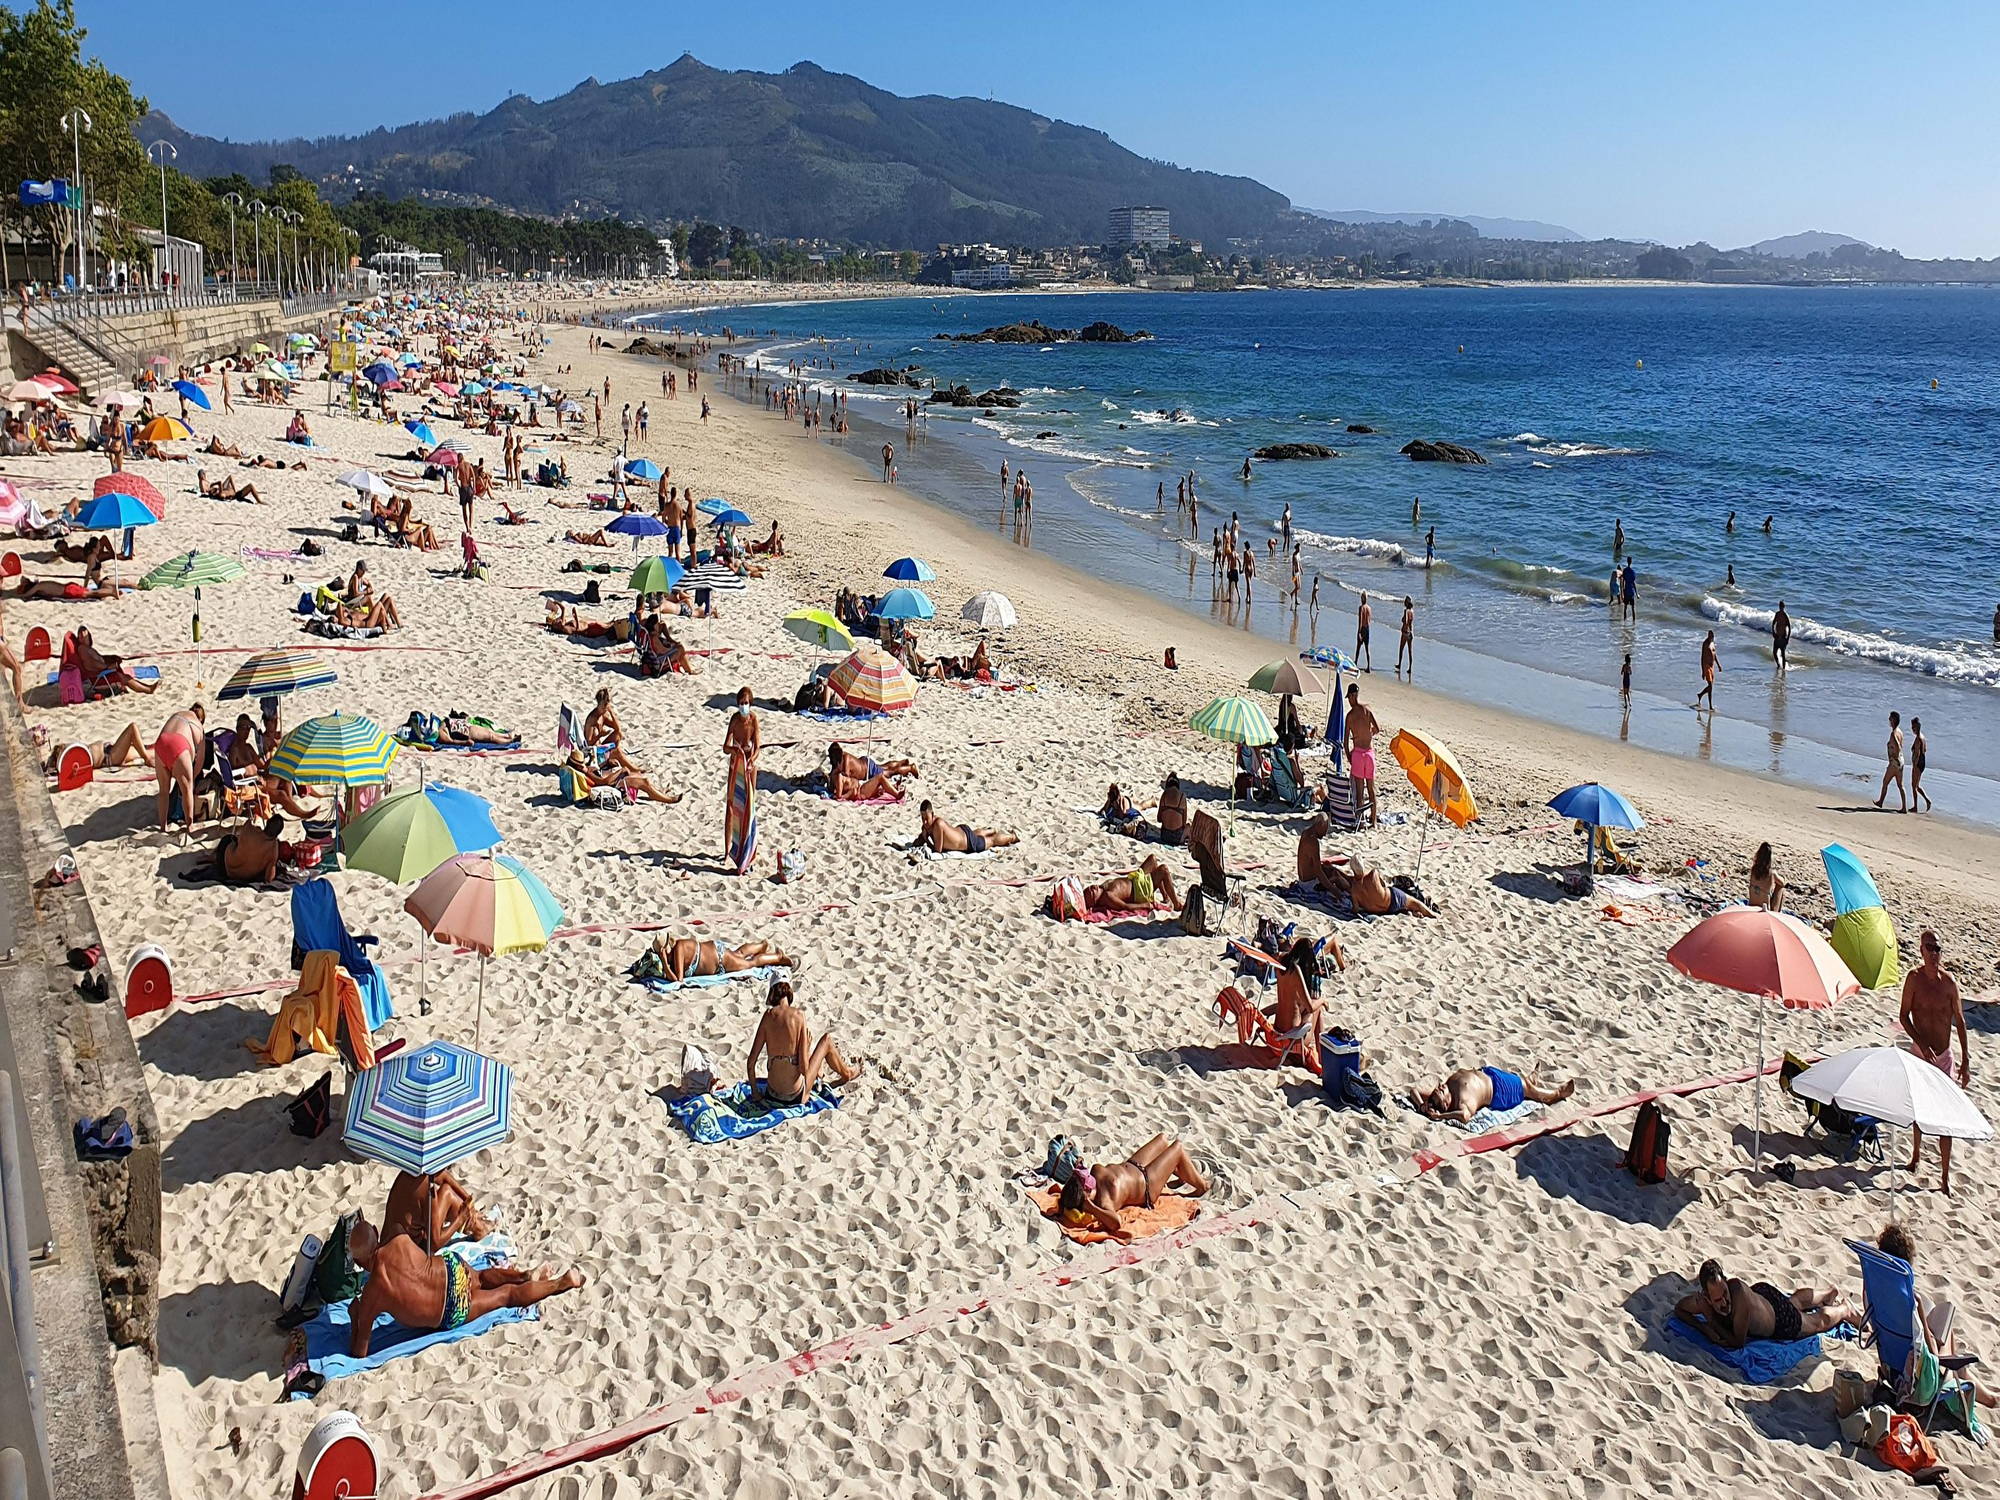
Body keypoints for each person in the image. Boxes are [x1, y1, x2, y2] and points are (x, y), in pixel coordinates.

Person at [344, 1213, 582, 1357]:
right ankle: (524, 1275)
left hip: (449, 1308)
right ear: (376, 1231)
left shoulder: (372, 1293)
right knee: (479, 1277)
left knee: (506, 1297)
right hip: (451, 1268)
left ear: (357, 1261)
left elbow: (360, 1352)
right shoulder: (397, 1235)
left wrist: (356, 1317)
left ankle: (562, 1283)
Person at [1873, 1223, 2000, 1407]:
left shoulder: (1875, 1290)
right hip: (1919, 1381)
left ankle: (1971, 1382)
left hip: (1891, 1367)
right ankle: (1987, 1397)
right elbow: (1932, 1353)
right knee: (1947, 1332)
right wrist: (1924, 1319)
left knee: (1940, 1333)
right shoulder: (1909, 1301)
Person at [1900, 929, 1968, 1194]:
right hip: (1920, 1051)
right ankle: (1916, 1155)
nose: (1934, 954)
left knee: (1944, 1116)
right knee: (1918, 1109)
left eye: (1938, 949)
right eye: (1929, 948)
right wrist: (1921, 1042)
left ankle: (1944, 1178)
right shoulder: (1914, 980)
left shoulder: (1948, 984)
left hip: (1943, 1056)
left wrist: (1967, 1060)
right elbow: (1904, 1016)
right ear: (1921, 950)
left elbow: (1960, 1022)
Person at [1673, 1260, 1855, 1350]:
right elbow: (1679, 1309)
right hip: (1763, 1298)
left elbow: (1738, 1342)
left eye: (1725, 1294)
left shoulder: (1738, 1297)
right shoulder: (1704, 1301)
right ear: (1706, 1296)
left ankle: (1843, 1309)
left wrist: (1711, 1321)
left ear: (1727, 1283)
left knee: (1815, 1323)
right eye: (1717, 1300)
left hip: (1778, 1320)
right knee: (1794, 1302)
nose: (1724, 1302)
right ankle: (1828, 1293)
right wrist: (1702, 1328)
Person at [1055, 1135, 1209, 1238]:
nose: (1088, 1178)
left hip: (1134, 1164)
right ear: (1085, 1199)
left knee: (1163, 1139)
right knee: (1178, 1148)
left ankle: (1182, 1175)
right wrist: (1092, 1208)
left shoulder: (1093, 1174)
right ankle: (1201, 1186)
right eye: (1086, 1184)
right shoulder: (1104, 1201)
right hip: (1147, 1184)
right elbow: (1116, 1223)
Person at [747, 979, 861, 1105]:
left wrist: (755, 1093)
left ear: (773, 992)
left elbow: (751, 1063)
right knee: (827, 1040)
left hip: (772, 1094)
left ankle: (820, 1070)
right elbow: (804, 1070)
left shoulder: (768, 1016)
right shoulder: (798, 1016)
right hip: (795, 1096)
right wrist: (806, 1050)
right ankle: (847, 1073)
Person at [1408, 1066, 1573, 1122]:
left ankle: (1530, 1080)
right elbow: (1464, 1116)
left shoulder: (1446, 1091)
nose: (1438, 1087)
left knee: (1523, 1082)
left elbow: (1413, 1091)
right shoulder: (1462, 1101)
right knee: (1527, 1089)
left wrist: (1421, 1105)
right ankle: (1556, 1094)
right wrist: (1439, 1117)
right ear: (1445, 1104)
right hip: (1498, 1091)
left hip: (1488, 1074)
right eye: (1439, 1092)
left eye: (1437, 1089)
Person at [383, 1168, 490, 1251]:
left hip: (387, 1242)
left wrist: (469, 1203)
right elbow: (435, 1244)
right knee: (449, 1195)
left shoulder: (410, 1173)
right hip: (406, 1252)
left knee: (447, 1190)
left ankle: (477, 1226)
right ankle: (479, 1229)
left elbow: (445, 1177)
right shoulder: (427, 1190)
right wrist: (460, 1219)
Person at [1318, 853, 1436, 917]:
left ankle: (1410, 911)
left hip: (1382, 911)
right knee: (1417, 903)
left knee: (1409, 904)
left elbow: (1355, 909)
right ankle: (1433, 916)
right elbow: (1384, 885)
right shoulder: (1373, 874)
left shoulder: (1354, 890)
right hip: (1391, 900)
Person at [723, 686, 760, 875]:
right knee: (731, 806)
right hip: (736, 762)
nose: (744, 707)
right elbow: (725, 747)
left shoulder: (753, 720)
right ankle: (727, 849)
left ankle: (748, 850)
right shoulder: (735, 720)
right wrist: (736, 752)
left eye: (746, 704)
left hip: (749, 764)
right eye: (741, 704)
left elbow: (757, 746)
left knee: (749, 806)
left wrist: (751, 760)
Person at [659, 931, 793, 981]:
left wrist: (665, 963)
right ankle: (760, 946)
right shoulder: (680, 946)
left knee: (749, 964)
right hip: (715, 951)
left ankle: (777, 957)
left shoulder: (678, 950)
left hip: (719, 959)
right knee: (738, 954)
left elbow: (678, 980)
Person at [154, 704, 205, 833]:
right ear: (201, 719)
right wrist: (192, 778)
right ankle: (190, 825)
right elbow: (200, 761)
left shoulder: (178, 715)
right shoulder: (198, 726)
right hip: (179, 745)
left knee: (164, 792)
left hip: (161, 743)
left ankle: (163, 826)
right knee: (187, 789)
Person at [563, 748, 679, 804]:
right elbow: (604, 782)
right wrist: (620, 771)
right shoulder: (585, 772)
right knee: (645, 782)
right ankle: (668, 800)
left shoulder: (583, 770)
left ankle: (658, 792)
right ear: (578, 766)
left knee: (638, 775)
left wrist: (606, 763)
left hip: (614, 779)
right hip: (615, 784)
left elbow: (598, 772)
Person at [1083, 856, 1180, 915]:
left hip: (1134, 879)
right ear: (1095, 900)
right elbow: (1125, 906)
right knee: (1163, 870)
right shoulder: (1108, 896)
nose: (1092, 888)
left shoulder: (1102, 888)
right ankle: (1177, 905)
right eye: (1092, 892)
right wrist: (1144, 905)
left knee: (1152, 860)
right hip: (1140, 890)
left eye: (1089, 887)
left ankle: (1165, 896)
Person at [918, 799, 1017, 854]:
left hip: (969, 842)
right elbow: (918, 841)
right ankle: (990, 830)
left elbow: (937, 850)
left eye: (927, 818)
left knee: (992, 840)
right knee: (975, 834)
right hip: (961, 831)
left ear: (932, 814)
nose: (925, 821)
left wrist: (926, 839)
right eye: (922, 818)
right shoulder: (926, 827)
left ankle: (1012, 837)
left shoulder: (938, 824)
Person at [214, 814, 286, 885]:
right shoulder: (273, 848)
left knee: (228, 839)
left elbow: (241, 837)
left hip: (224, 867)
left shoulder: (249, 829)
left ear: (267, 822)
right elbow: (269, 878)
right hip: (246, 877)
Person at [1343, 683, 1378, 828]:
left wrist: (1349, 756)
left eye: (1349, 698)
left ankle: (1361, 821)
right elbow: (1377, 729)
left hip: (1357, 753)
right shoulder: (1367, 710)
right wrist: (1368, 734)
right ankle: (1374, 821)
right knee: (1371, 788)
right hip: (1369, 753)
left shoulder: (1350, 717)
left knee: (1360, 790)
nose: (1349, 701)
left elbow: (1345, 742)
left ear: (1352, 696)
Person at [828, 742, 915, 800]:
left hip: (867, 769)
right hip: (864, 764)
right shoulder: (838, 763)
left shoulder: (845, 759)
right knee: (886, 767)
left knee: (889, 772)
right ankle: (902, 763)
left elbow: (845, 776)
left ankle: (910, 768)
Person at [1874, 710, 1907, 812]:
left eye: (1890, 718)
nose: (1889, 720)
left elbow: (1897, 746)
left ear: (1893, 720)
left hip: (1895, 762)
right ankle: (1904, 807)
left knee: (1885, 782)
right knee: (1900, 785)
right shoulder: (1900, 732)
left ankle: (1880, 802)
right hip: (1901, 760)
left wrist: (1894, 756)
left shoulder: (1893, 733)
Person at [1747, 841, 1785, 910]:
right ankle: (1778, 912)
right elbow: (1782, 883)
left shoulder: (1753, 870)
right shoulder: (1772, 874)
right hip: (1764, 911)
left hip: (1751, 908)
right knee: (1780, 887)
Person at [1156, 773, 1188, 846]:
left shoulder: (1164, 794)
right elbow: (1183, 824)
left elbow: (1159, 818)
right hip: (1178, 837)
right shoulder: (1182, 796)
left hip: (1164, 836)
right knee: (1188, 827)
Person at [196, 470, 264, 503]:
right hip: (235, 495)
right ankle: (260, 502)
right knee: (250, 486)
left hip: (234, 493)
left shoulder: (219, 491)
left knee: (231, 477)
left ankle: (259, 501)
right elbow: (204, 490)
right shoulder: (220, 494)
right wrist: (213, 484)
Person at [1910, 716, 1931, 813]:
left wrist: (1914, 766)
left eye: (1913, 727)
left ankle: (1915, 806)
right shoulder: (1923, 737)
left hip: (1918, 763)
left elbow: (1917, 753)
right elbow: (1925, 750)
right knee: (1916, 785)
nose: (1912, 729)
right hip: (1922, 762)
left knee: (1914, 785)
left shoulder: (1918, 739)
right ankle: (1927, 801)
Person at [1695, 630, 1718, 711]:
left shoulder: (1712, 643)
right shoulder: (1705, 643)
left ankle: (1700, 695)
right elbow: (1702, 657)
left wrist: (1718, 665)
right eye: (1710, 636)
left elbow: (1714, 655)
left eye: (1712, 636)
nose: (1711, 637)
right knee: (1710, 686)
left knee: (1710, 686)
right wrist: (1703, 671)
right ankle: (1710, 706)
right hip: (1706, 665)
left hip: (1712, 666)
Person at [1396, 595, 1415, 678]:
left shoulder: (1406, 611)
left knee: (1401, 649)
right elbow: (1411, 623)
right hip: (1410, 632)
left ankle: (1399, 664)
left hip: (1405, 632)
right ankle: (1410, 667)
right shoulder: (1412, 611)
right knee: (1410, 651)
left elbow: (1406, 621)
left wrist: (1403, 619)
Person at [1354, 592, 1372, 672]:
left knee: (1358, 647)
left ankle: (1355, 663)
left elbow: (1360, 620)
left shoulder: (1361, 608)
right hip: (1367, 628)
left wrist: (1359, 632)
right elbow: (1369, 620)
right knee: (1367, 648)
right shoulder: (1369, 608)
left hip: (1363, 628)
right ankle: (1368, 666)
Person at [1772, 600, 1791, 671]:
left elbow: (1789, 627)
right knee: (1774, 653)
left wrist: (1787, 638)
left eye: (1782, 607)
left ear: (1784, 607)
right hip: (1777, 637)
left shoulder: (1785, 616)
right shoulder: (1777, 614)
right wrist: (1773, 632)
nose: (1781, 608)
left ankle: (1783, 669)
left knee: (1783, 655)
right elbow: (1773, 623)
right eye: (1780, 607)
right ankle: (1778, 665)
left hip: (1783, 637)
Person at [1621, 556, 1636, 621]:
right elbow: (1633, 582)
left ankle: (1624, 620)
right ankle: (1634, 621)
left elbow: (1623, 582)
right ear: (1631, 562)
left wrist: (1622, 592)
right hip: (1631, 591)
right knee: (1633, 608)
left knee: (1625, 607)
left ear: (1627, 561)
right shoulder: (1632, 572)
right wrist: (1637, 593)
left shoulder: (1624, 571)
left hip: (1626, 590)